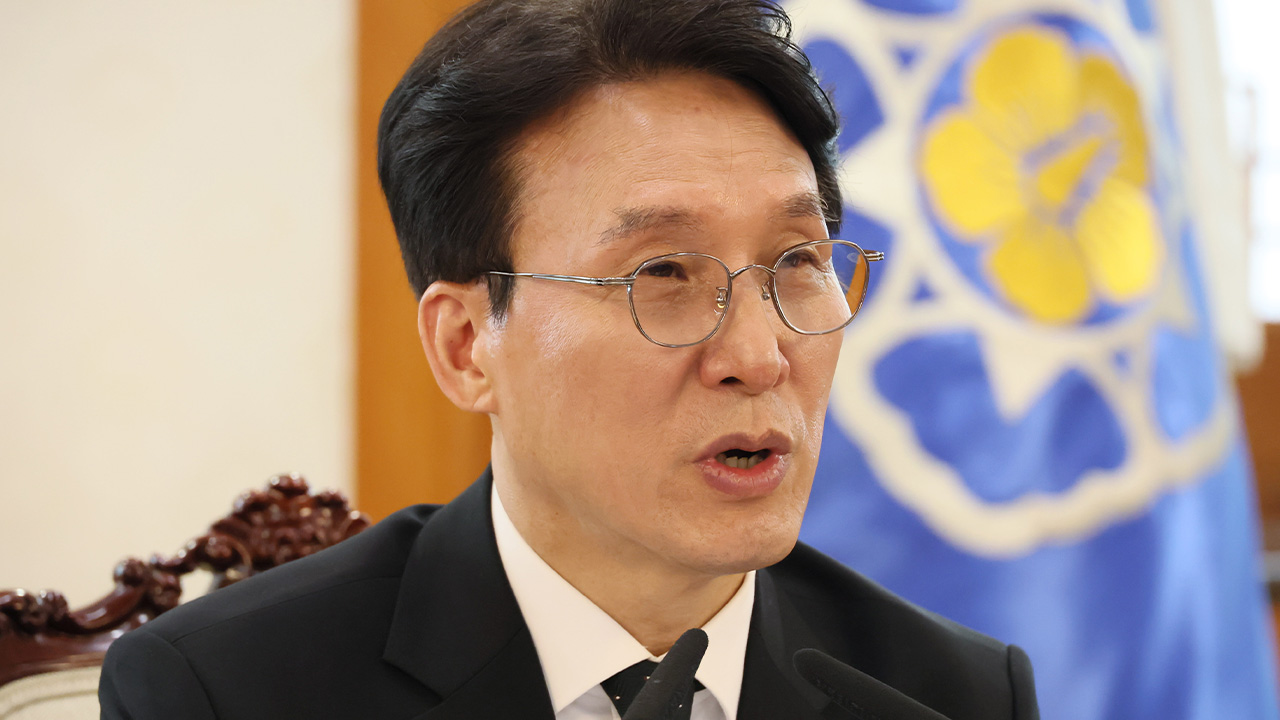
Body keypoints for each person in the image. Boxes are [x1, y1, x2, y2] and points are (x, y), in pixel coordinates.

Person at [99, 1, 1040, 718]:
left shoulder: (951, 693)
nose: (758, 356)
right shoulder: (227, 690)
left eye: (797, 262)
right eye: (663, 273)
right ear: (467, 346)